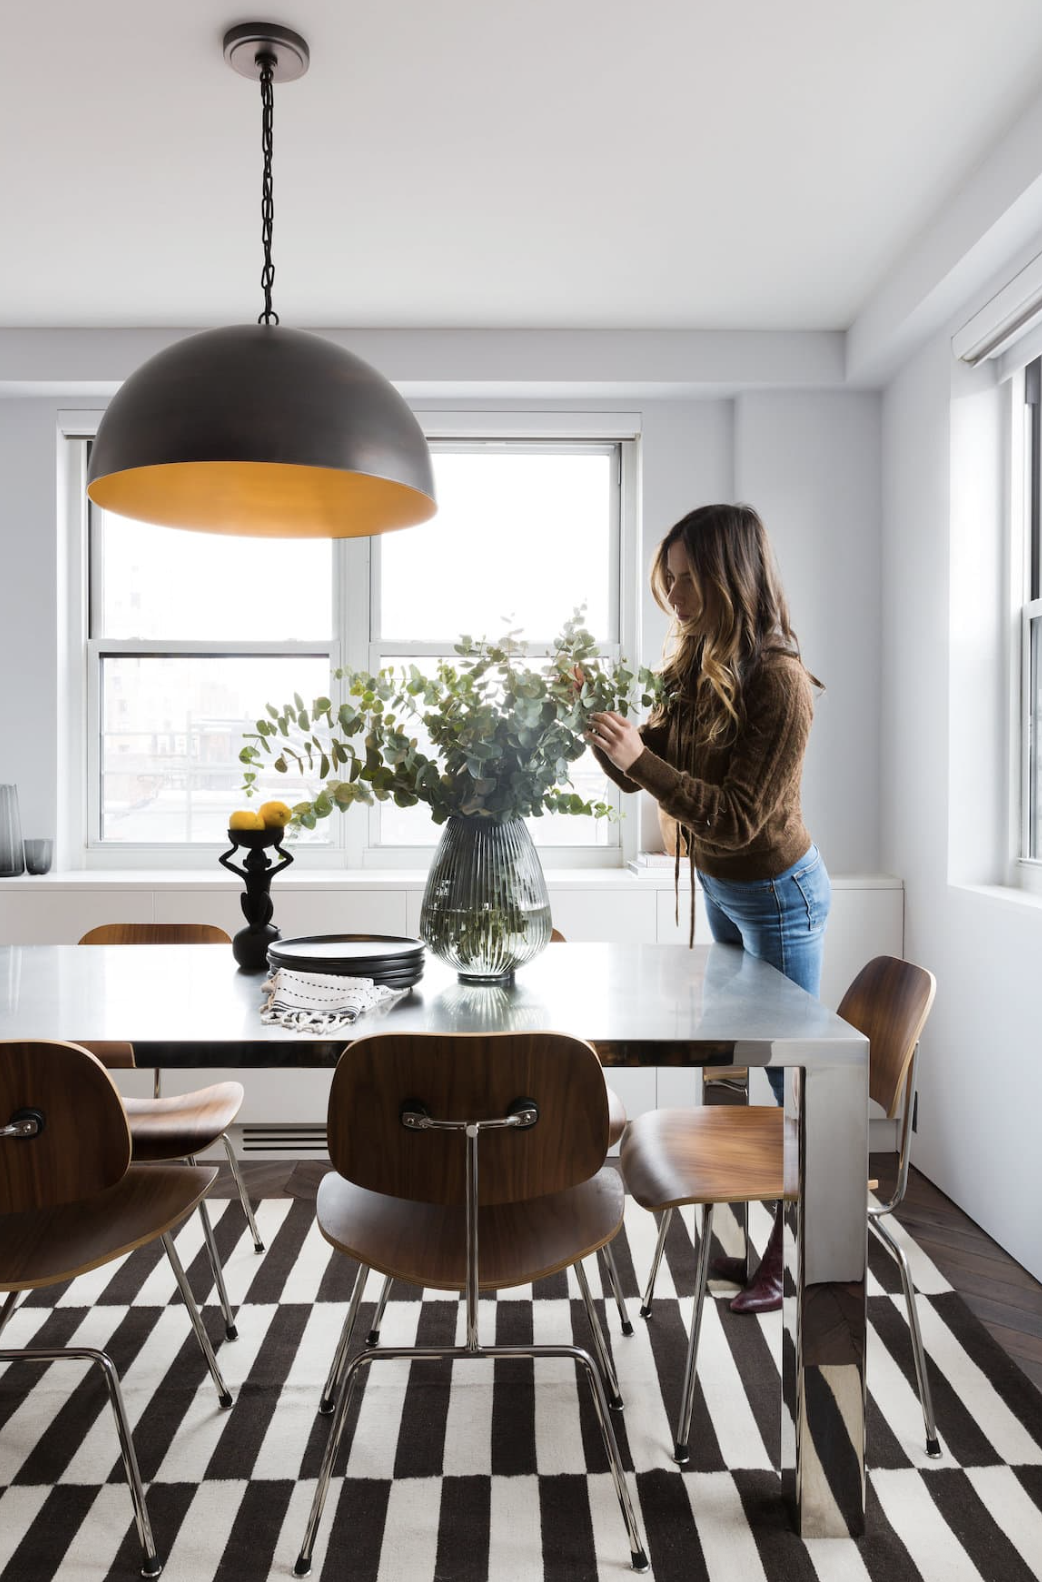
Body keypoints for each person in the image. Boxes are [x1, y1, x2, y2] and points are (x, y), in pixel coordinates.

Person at [586, 502, 830, 1315]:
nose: (677, 599)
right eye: (672, 582)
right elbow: (653, 770)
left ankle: (796, 1255)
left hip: (779, 898)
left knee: (793, 1084)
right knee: (728, 1065)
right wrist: (611, 743)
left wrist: (641, 761)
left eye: (689, 582)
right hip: (725, 888)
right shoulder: (695, 664)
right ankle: (735, 1239)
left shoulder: (782, 685)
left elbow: (730, 815)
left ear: (731, 579)